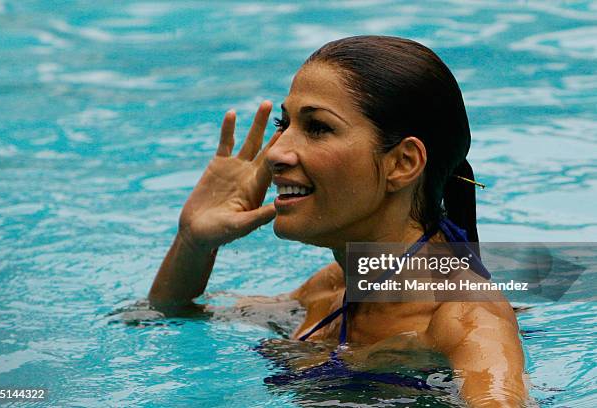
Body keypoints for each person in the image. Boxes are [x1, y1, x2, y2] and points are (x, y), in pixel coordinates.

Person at [148, 36, 527, 406]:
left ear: (403, 163)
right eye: (285, 123)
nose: (276, 152)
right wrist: (194, 243)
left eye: (318, 128)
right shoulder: (330, 289)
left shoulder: (465, 318)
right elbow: (170, 315)